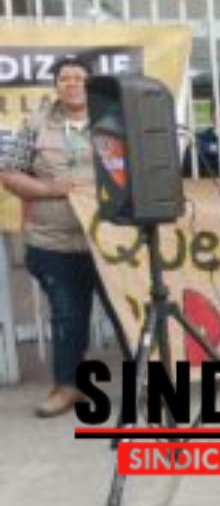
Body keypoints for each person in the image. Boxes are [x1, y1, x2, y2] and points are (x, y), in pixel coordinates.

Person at [0, 57, 123, 417]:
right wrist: (49, 188)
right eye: (64, 78)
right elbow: (8, 173)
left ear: (90, 83)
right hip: (54, 243)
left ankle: (149, 382)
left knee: (127, 315)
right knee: (68, 317)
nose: (72, 84)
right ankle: (67, 388)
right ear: (56, 85)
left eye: (78, 78)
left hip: (113, 242)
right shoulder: (36, 124)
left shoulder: (115, 121)